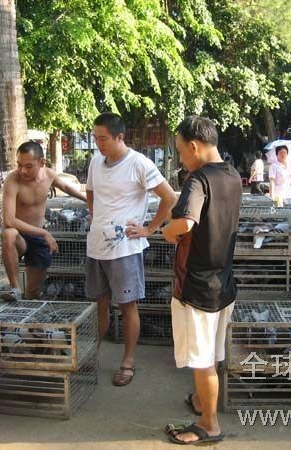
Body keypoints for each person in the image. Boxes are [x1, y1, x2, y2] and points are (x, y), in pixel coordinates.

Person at [162, 116, 241, 445]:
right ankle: (201, 401)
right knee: (213, 353)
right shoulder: (233, 175)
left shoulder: (198, 179)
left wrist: (167, 232)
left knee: (202, 360)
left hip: (196, 286)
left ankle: (209, 425)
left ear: (194, 146)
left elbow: (185, 223)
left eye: (181, 151)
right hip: (223, 282)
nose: (181, 158)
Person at [85, 112, 176, 386]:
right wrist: (96, 217)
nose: (98, 143)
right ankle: (91, 356)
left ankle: (128, 362)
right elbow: (90, 191)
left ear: (120, 137)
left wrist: (150, 228)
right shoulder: (95, 162)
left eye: (103, 139)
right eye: (95, 138)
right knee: (99, 305)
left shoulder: (139, 163)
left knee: (128, 306)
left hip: (124, 249)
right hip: (96, 245)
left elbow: (169, 197)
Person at [0, 141, 88, 301]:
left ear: (41, 162)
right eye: (19, 165)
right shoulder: (13, 180)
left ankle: (29, 310)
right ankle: (14, 288)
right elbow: (9, 220)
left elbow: (66, 187)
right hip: (20, 236)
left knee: (33, 292)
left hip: (38, 238)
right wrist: (44, 233)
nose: (22, 171)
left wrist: (87, 199)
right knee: (8, 234)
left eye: (28, 166)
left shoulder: (49, 175)